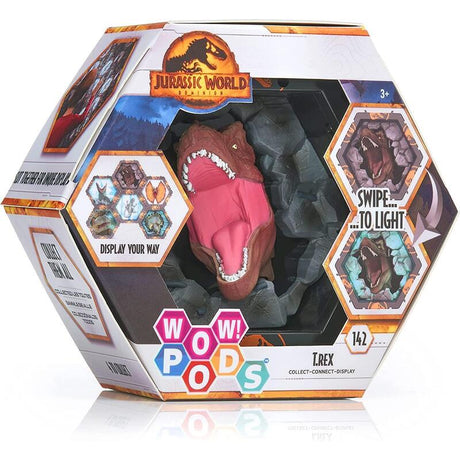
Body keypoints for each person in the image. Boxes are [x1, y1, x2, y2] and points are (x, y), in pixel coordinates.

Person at [46, 68, 99, 149]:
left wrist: (92, 95)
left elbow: (83, 115)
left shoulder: (70, 116)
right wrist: (93, 95)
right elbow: (83, 115)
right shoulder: (70, 116)